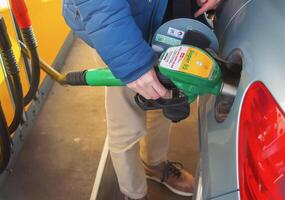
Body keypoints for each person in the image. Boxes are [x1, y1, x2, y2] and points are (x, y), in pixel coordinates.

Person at [63, 0, 221, 199]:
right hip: (121, 35)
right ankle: (133, 192)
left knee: (161, 102)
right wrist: (132, 62)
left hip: (168, 25)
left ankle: (155, 165)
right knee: (126, 124)